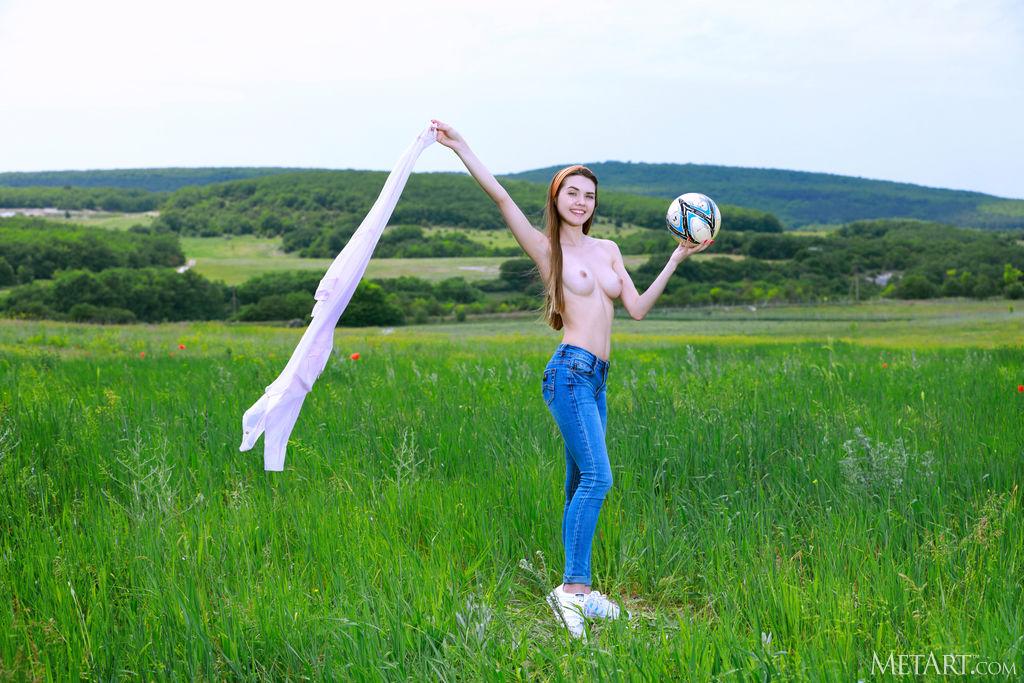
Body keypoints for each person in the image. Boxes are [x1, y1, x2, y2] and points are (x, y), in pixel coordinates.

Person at [432, 119, 712, 639]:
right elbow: (501, 199)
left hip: (598, 379)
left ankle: (574, 589)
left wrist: (676, 258)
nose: (581, 202)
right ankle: (573, 593)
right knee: (599, 478)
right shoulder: (548, 251)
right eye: (572, 193)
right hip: (569, 374)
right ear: (556, 198)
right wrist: (461, 146)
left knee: (580, 482)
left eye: (589, 195)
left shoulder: (608, 249)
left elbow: (637, 309)